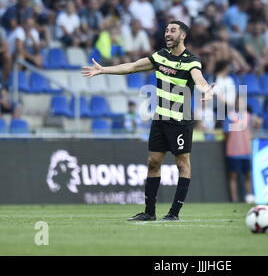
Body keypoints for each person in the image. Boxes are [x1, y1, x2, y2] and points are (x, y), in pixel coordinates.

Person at [82, 20, 215, 221]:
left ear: (183, 35)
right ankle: (149, 212)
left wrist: (206, 90)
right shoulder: (160, 56)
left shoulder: (191, 61)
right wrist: (104, 70)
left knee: (182, 164)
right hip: (160, 118)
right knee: (153, 163)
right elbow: (133, 67)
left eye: (173, 30)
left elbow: (199, 79)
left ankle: (174, 213)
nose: (168, 34)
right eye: (166, 30)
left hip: (180, 120)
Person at [223, 95, 261, 203]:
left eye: (242, 102)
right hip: (233, 151)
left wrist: (258, 122)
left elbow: (255, 127)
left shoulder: (249, 116)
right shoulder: (230, 117)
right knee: (233, 176)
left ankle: (249, 197)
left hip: (246, 151)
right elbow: (225, 132)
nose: (241, 104)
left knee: (247, 175)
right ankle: (234, 199)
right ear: (235, 104)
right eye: (239, 102)